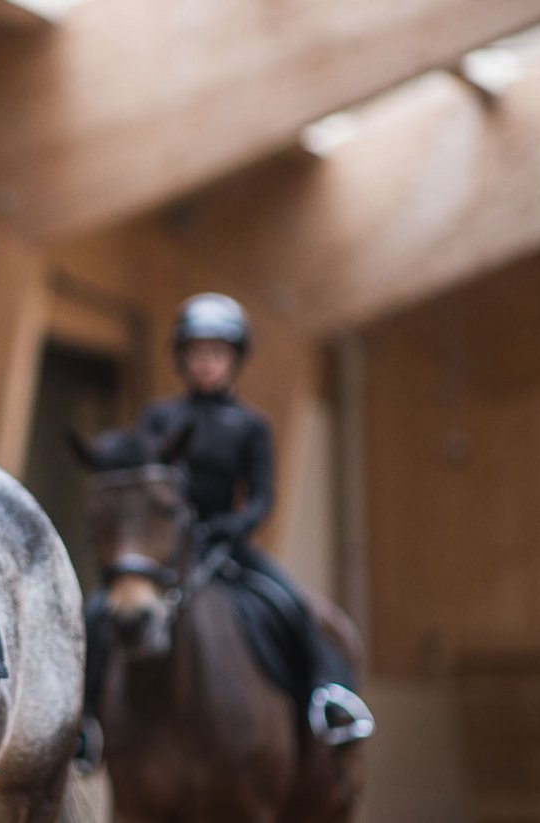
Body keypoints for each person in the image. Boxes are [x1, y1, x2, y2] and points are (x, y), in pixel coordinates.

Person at [138, 292, 371, 746]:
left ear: (233, 359)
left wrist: (233, 526)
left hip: (228, 542)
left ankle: (327, 696)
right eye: (197, 353)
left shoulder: (251, 425)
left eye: (216, 353)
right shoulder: (159, 417)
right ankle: (87, 721)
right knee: (104, 611)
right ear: (183, 358)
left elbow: (263, 497)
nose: (206, 363)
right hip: (168, 546)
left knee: (292, 605)